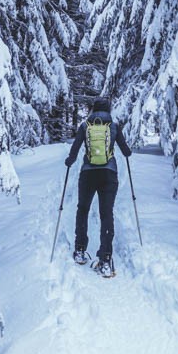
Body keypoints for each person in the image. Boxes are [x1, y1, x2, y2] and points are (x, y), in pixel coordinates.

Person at [64, 96, 132, 277]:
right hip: (109, 175)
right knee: (106, 213)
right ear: (108, 109)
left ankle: (79, 250)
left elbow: (74, 150)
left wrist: (69, 161)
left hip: (88, 174)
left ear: (94, 109)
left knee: (83, 210)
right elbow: (126, 151)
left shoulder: (85, 126)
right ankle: (106, 260)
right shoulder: (113, 126)